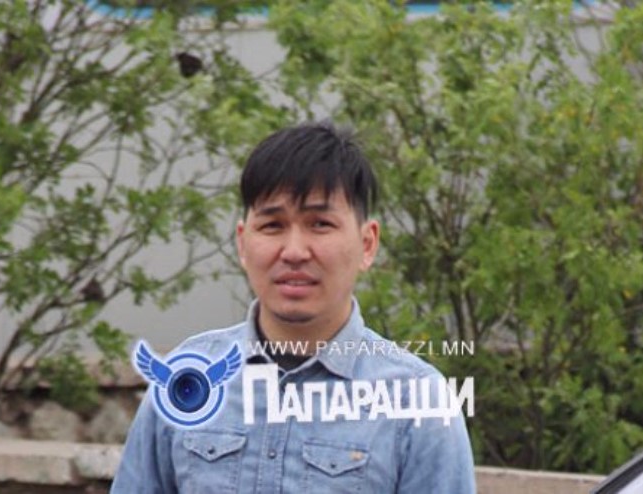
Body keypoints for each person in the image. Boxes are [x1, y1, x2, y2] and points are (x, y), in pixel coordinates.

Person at [112, 122, 476, 493]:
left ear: (367, 244)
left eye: (320, 224)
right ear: (242, 243)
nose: (295, 252)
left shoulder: (418, 402)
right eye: (273, 225)